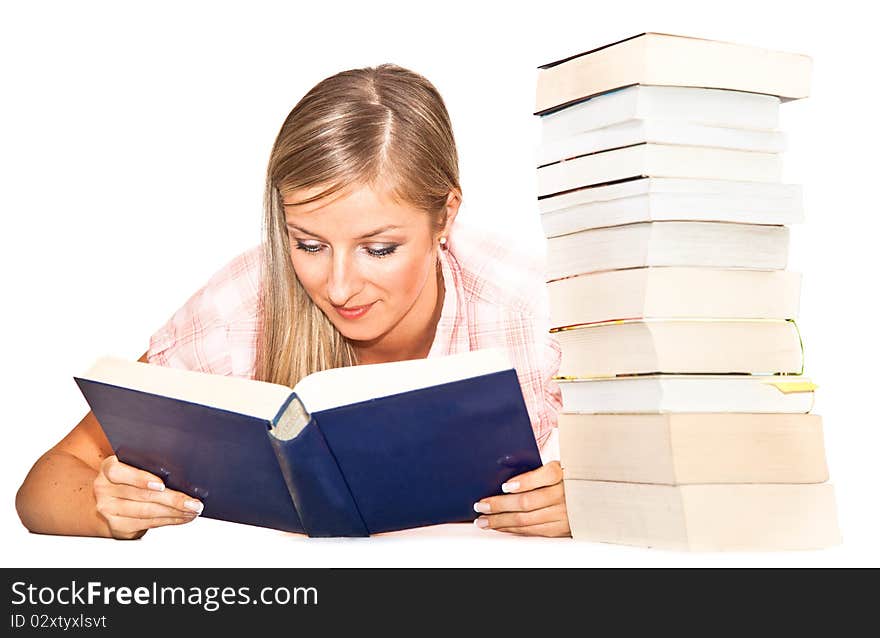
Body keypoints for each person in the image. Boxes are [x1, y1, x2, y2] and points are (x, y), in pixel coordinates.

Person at [15, 64, 569, 540]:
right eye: (309, 244)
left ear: (445, 216)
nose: (339, 286)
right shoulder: (244, 305)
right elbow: (43, 485)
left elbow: (654, 485)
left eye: (379, 249)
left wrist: (598, 504)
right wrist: (104, 507)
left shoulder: (539, 311)